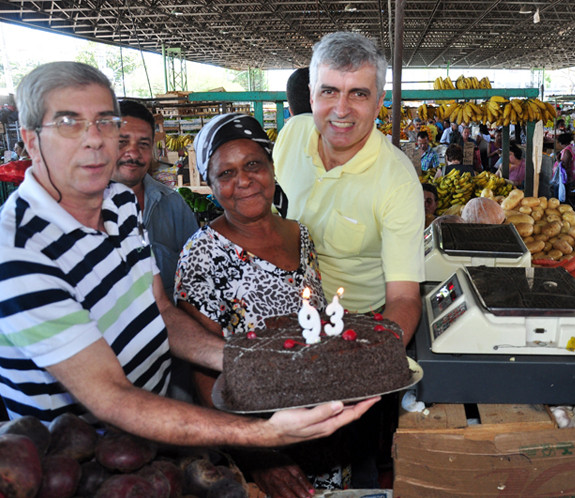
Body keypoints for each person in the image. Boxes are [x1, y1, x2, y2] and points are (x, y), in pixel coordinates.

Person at [0, 61, 376, 448]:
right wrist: (264, 434)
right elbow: (111, 396)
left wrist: (251, 360)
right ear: (31, 140)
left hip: (155, 434)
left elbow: (162, 312)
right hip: (77, 461)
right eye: (69, 123)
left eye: (105, 122)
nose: (94, 140)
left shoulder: (119, 205)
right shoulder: (18, 253)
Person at [178, 113, 348, 494]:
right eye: (226, 174)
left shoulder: (300, 235)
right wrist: (258, 457)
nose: (243, 181)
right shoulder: (200, 256)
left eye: (253, 164)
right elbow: (202, 372)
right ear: (211, 185)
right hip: (256, 433)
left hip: (320, 420)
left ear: (272, 168)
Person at [272, 31, 424, 345]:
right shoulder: (290, 136)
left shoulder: (398, 181)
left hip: (356, 326)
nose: (341, 110)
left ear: (380, 102)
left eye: (358, 94)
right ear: (312, 95)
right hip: (279, 314)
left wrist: (373, 360)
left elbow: (405, 298)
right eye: (329, 91)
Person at [113, 100, 198, 299]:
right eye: (122, 142)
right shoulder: (84, 210)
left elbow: (197, 277)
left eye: (143, 144)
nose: (133, 153)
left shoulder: (173, 205)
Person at [551, 132, 575, 202]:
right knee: (565, 195)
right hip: (570, 176)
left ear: (562, 142)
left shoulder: (567, 151)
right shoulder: (572, 147)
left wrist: (558, 159)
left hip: (564, 178)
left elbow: (565, 166)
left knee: (561, 196)